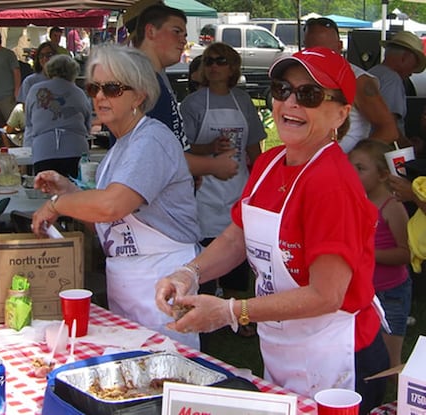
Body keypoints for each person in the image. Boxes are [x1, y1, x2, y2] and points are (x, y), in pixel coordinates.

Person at [155, 47, 389, 414]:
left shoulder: (331, 182)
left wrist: (230, 311)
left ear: (341, 114)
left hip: (337, 358)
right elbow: (237, 236)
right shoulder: (268, 163)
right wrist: (190, 272)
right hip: (284, 343)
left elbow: (327, 295)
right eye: (282, 90)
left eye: (309, 95)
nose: (291, 103)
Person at [31, 45, 201, 349]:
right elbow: (105, 217)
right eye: (94, 87)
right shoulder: (120, 147)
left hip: (160, 281)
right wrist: (69, 192)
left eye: (112, 88)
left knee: (165, 369)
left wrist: (57, 205)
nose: (99, 97)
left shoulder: (151, 139)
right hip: (129, 281)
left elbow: (112, 205)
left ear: (138, 96)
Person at [180, 43, 265, 340]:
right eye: (208, 61)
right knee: (204, 248)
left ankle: (237, 314)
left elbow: (254, 145)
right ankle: (199, 309)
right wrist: (211, 149)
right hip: (205, 187)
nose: (214, 66)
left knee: (239, 249)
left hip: (238, 184)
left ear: (233, 68)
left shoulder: (243, 102)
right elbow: (184, 149)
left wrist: (258, 180)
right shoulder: (191, 104)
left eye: (221, 61)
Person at [132, 3, 238, 182]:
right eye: (176, 31)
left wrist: (190, 171)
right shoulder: (141, 81)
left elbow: (171, 144)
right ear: (150, 31)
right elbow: (157, 154)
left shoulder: (156, 77)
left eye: (185, 35)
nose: (183, 40)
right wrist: (213, 166)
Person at [348, 139, 411, 373]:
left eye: (361, 169)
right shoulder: (353, 202)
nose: (352, 173)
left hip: (390, 292)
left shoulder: (391, 206)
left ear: (384, 175)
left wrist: (367, 254)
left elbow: (406, 253)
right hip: (362, 290)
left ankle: (397, 404)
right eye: (350, 166)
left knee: (389, 360)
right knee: (363, 357)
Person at [303, 17, 398, 152]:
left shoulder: (359, 80)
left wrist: (354, 160)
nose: (319, 58)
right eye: (311, 51)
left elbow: (389, 130)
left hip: (343, 166)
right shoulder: (303, 77)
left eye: (326, 52)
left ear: (340, 46)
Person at [24, 54, 91, 178]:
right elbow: (87, 125)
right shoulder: (79, 93)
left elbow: (29, 122)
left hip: (43, 150)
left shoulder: (35, 90)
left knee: (46, 192)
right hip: (75, 149)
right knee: (74, 192)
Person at [369, 31, 426, 140]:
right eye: (414, 64)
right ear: (404, 57)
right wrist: (407, 146)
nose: (412, 72)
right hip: (385, 150)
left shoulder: (372, 72)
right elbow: (390, 124)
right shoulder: (392, 79)